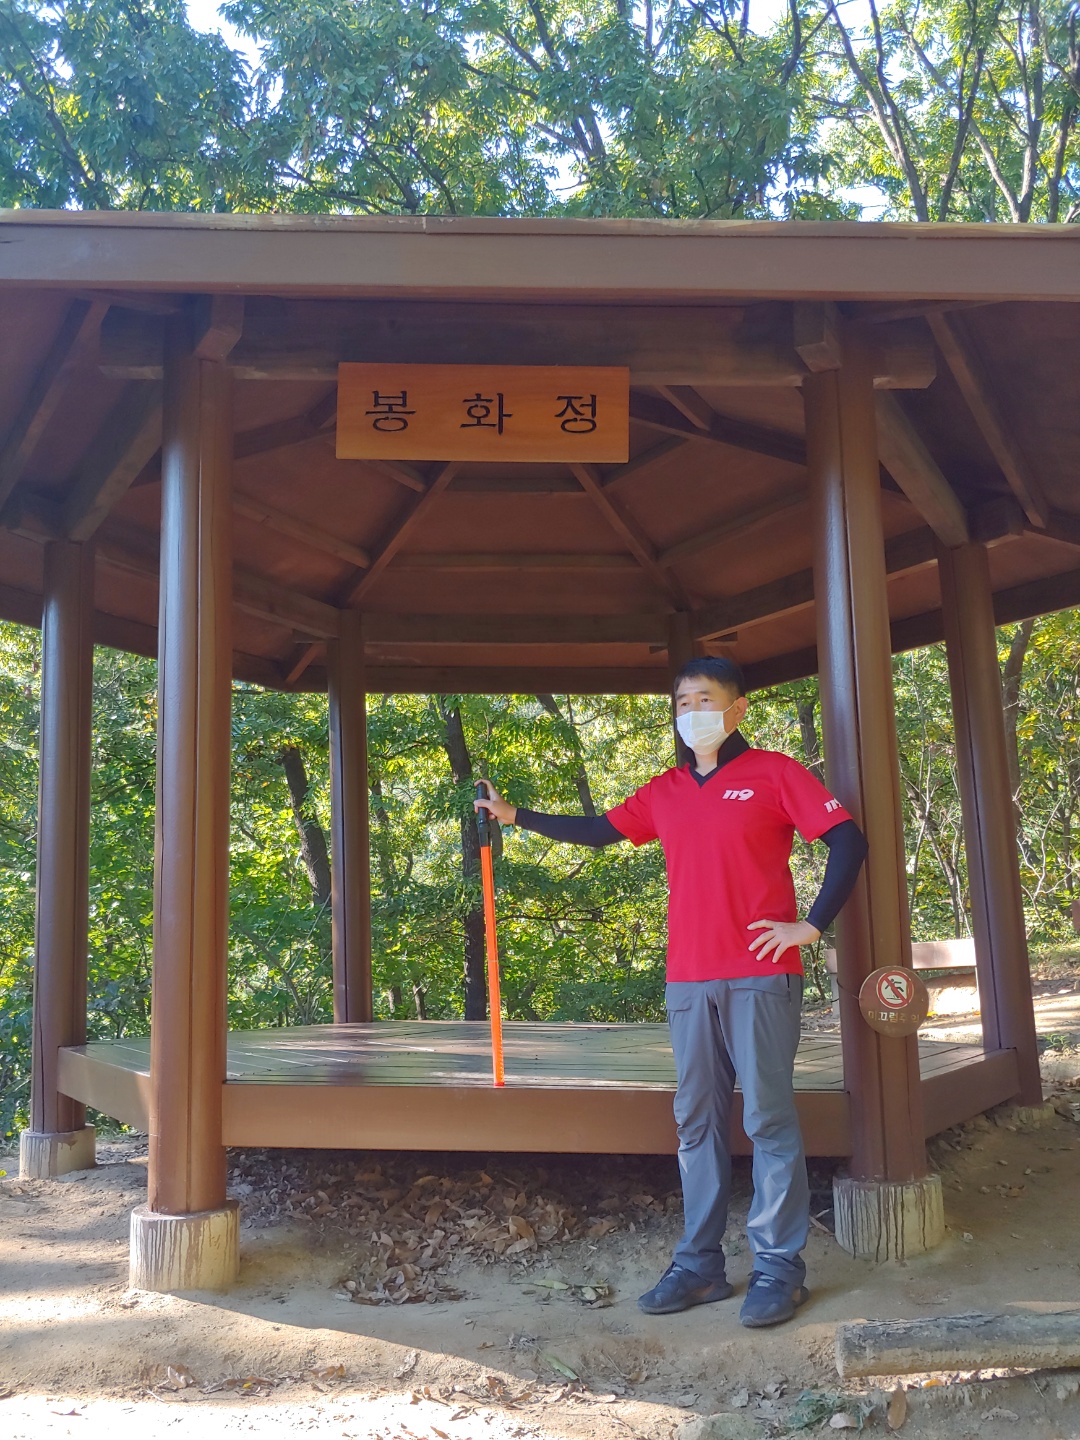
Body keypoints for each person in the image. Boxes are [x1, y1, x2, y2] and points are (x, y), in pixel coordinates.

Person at [475, 656, 867, 1329]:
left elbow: (847, 842)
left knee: (767, 1119)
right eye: (683, 703)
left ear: (737, 708)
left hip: (759, 974)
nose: (693, 713)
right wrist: (515, 816)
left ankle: (778, 1268)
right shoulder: (665, 790)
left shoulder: (774, 773)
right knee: (696, 1122)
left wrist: (809, 926)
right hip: (687, 979)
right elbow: (600, 831)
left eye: (705, 700)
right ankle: (700, 1266)